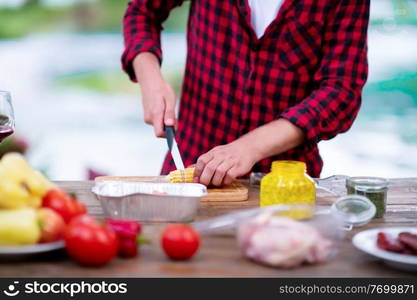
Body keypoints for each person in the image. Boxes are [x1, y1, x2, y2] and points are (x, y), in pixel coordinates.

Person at [122, 0, 370, 186]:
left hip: (285, 187)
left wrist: (249, 148)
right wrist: (150, 78)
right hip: (188, 164)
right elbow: (141, 12)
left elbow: (342, 90)